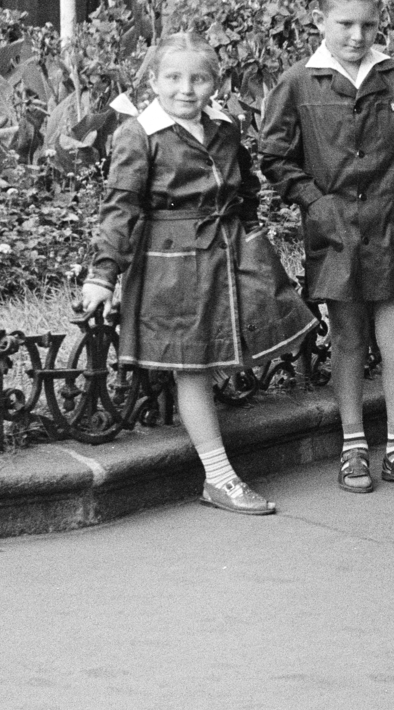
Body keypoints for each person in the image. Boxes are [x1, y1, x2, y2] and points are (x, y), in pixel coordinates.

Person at [79, 32, 317, 515]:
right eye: (173, 77)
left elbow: (245, 184)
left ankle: (218, 465)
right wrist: (103, 274)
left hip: (228, 254)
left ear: (214, 82)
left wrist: (249, 230)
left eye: (198, 78)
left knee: (239, 345)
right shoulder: (138, 134)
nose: (185, 89)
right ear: (154, 80)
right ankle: (220, 477)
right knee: (193, 368)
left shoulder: (224, 128)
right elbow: (120, 207)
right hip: (171, 265)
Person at [258, 0, 394, 495]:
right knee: (347, 339)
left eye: (368, 24)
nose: (357, 36)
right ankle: (353, 448)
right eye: (344, 23)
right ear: (319, 21)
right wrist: (315, 204)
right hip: (336, 233)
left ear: (380, 21)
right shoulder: (298, 82)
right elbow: (274, 155)